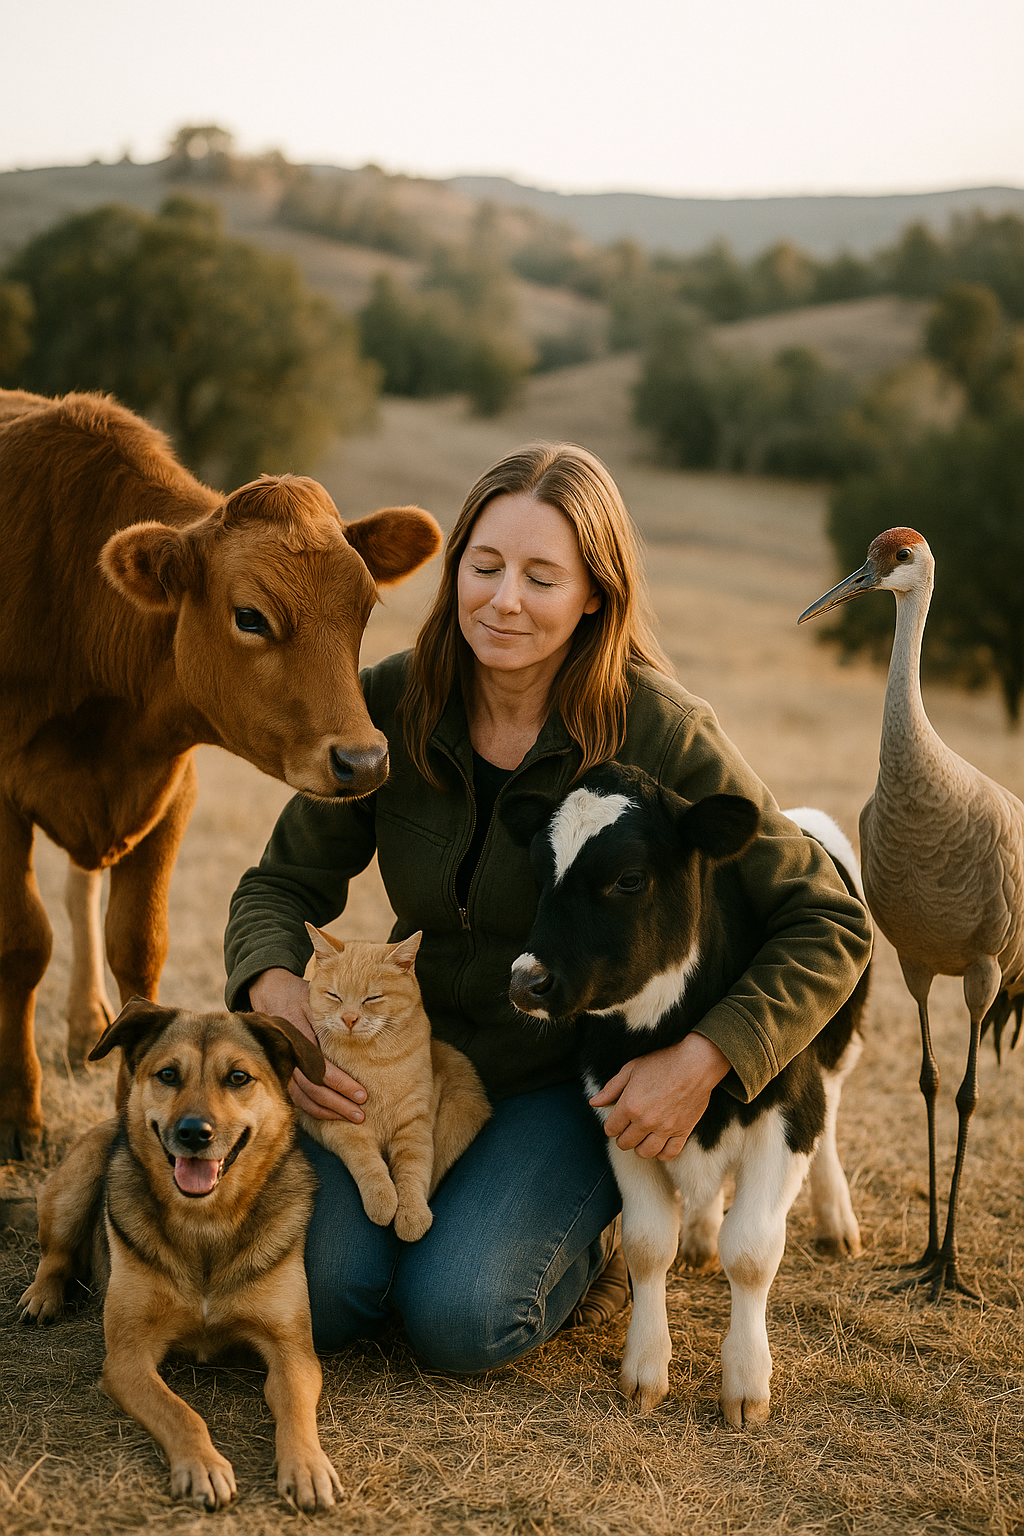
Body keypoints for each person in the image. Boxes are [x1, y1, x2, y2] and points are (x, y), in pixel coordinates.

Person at [224, 443, 871, 1372]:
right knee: (320, 1297)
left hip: (566, 1084)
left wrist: (704, 1058)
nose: (504, 600)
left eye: (541, 577)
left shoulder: (662, 731)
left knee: (459, 1318)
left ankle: (586, 1245)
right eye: (483, 568)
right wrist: (274, 990)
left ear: (595, 595)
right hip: (407, 1066)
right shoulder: (393, 702)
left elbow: (828, 921)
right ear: (455, 576)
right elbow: (277, 886)